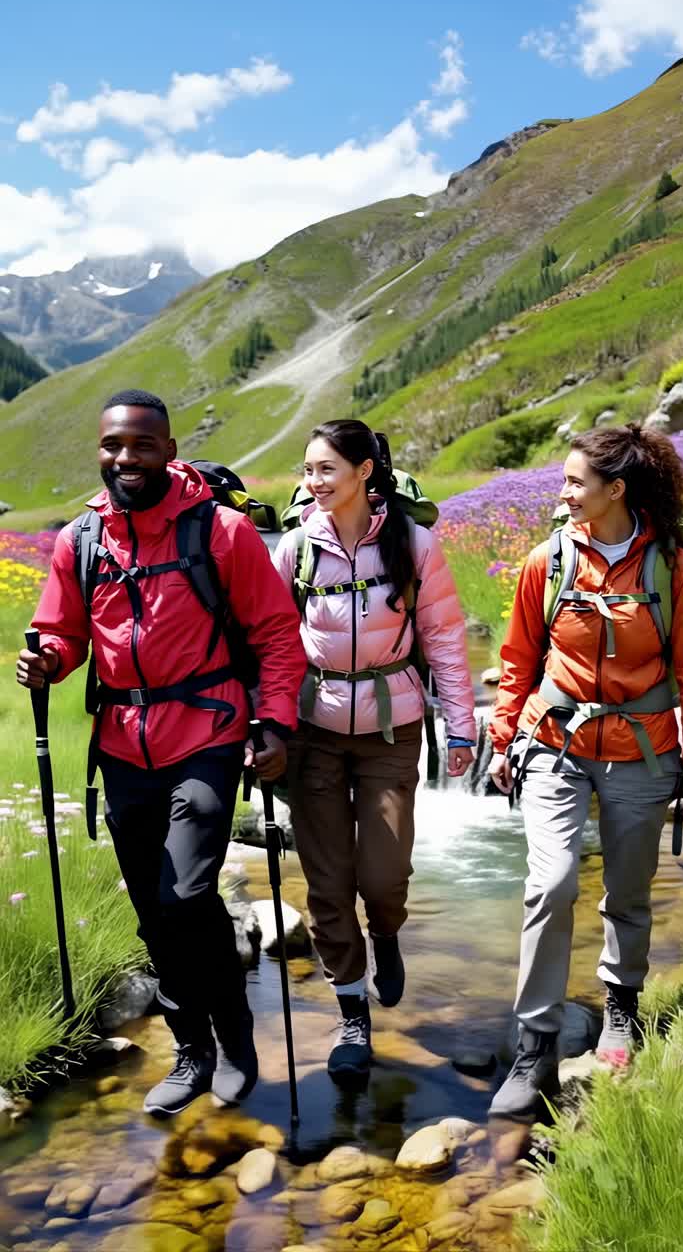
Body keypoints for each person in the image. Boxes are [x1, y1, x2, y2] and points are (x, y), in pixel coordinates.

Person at [16, 389, 307, 1116]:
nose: (125, 459)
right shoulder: (80, 541)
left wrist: (272, 723)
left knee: (185, 895)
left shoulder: (224, 532)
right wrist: (49, 659)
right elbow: (65, 631)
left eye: (141, 446)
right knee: (153, 911)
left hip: (206, 737)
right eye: (113, 445)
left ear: (168, 451)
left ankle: (234, 1039)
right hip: (122, 748)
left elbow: (275, 634)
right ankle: (190, 1049)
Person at [487, 423, 683, 1122]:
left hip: (645, 753)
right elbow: (518, 658)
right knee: (550, 883)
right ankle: (536, 1045)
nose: (562, 494)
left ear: (616, 490)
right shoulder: (546, 562)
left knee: (628, 892)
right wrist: (502, 738)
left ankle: (621, 1011)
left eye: (574, 483)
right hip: (554, 744)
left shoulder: (675, 568)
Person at [273, 419, 477, 1081]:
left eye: (327, 468)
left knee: (383, 877)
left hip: (395, 727)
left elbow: (444, 640)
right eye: (308, 470)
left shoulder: (415, 545)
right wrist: (265, 724)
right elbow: (270, 645)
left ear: (365, 470)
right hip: (313, 733)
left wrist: (464, 728)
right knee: (328, 883)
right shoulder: (295, 551)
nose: (314, 482)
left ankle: (386, 932)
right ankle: (351, 1011)